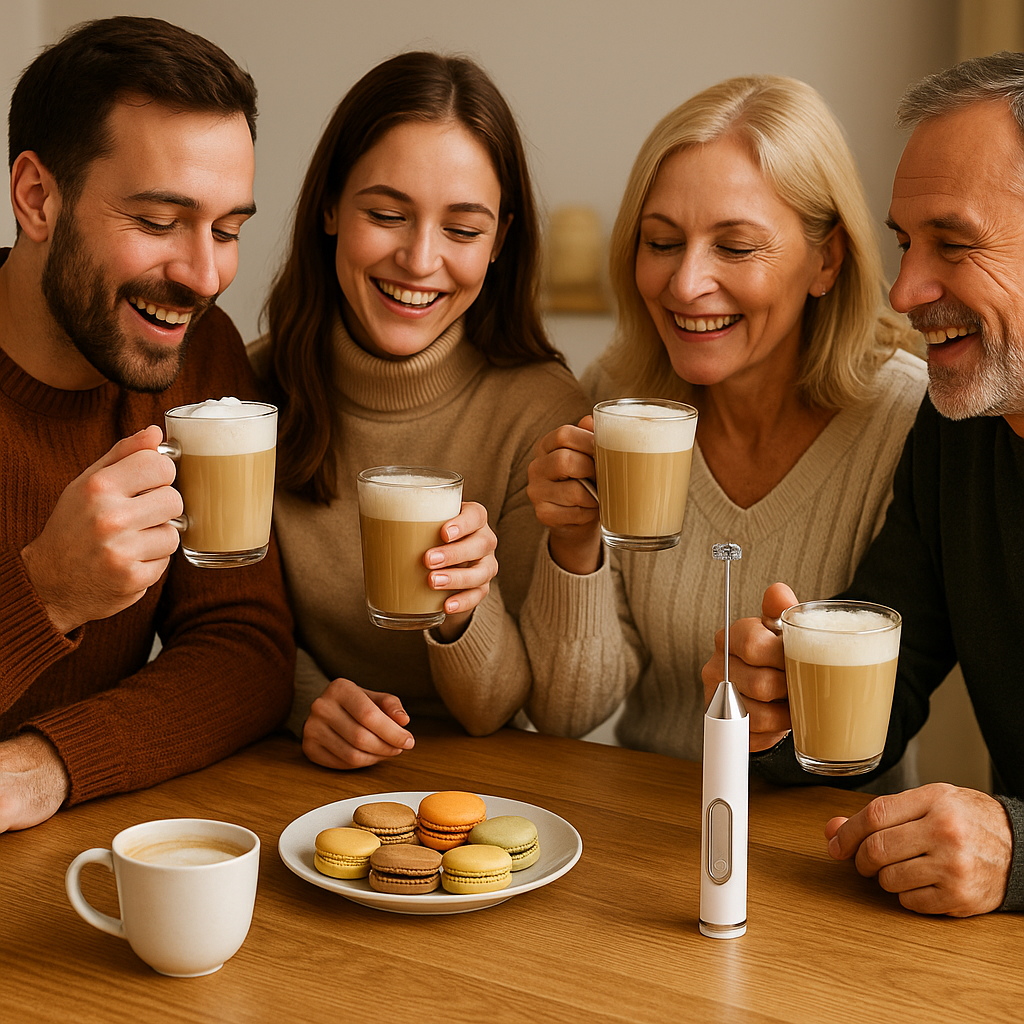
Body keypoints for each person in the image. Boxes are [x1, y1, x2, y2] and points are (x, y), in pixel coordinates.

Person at [520, 76, 926, 771]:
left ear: (825, 260)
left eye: (735, 247)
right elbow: (566, 713)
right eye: (662, 242)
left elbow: (893, 707)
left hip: (825, 835)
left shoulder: (905, 422)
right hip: (649, 816)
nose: (684, 284)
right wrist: (573, 547)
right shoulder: (615, 397)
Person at [703, 53, 1024, 917]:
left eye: (952, 244)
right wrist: (784, 706)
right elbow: (887, 691)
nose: (905, 290)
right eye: (904, 242)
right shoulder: (959, 433)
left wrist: (1018, 853)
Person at [253, 52, 589, 770]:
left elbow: (499, 707)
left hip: (483, 787)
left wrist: (464, 607)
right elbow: (229, 628)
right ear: (330, 208)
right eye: (386, 215)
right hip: (286, 771)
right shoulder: (251, 391)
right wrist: (305, 698)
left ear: (500, 240)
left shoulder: (542, 411)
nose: (419, 258)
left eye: (463, 230)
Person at [0, 17, 295, 833]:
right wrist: (47, 592)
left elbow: (244, 649)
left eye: (229, 229)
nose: (204, 276)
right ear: (38, 198)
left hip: (80, 851)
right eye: (160, 222)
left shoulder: (197, 356)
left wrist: (46, 765)